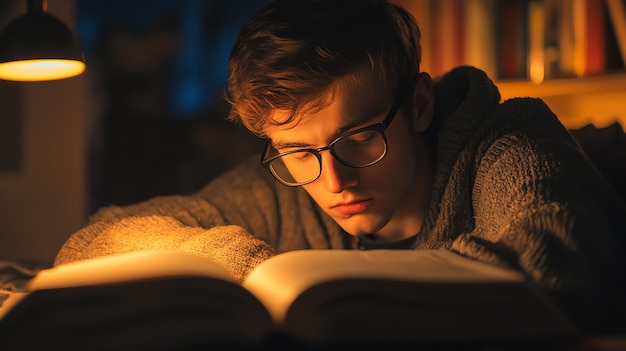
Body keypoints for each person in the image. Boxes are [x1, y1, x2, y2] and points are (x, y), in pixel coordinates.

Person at [55, 0, 626, 333]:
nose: (333, 182)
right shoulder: (278, 186)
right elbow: (96, 239)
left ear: (419, 106)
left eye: (358, 138)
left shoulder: (505, 142)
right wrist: (248, 263)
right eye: (299, 152)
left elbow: (558, 257)